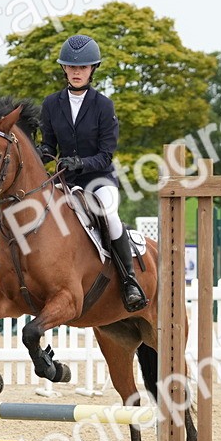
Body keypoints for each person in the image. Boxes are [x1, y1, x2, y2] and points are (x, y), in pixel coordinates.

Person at [36, 33, 146, 311]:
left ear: (92, 69)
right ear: (64, 68)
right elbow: (49, 144)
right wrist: (41, 152)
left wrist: (81, 163)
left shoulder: (103, 105)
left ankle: (129, 281)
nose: (76, 72)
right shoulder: (51, 104)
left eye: (82, 67)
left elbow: (106, 154)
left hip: (99, 181)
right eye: (71, 67)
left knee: (108, 216)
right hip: (65, 182)